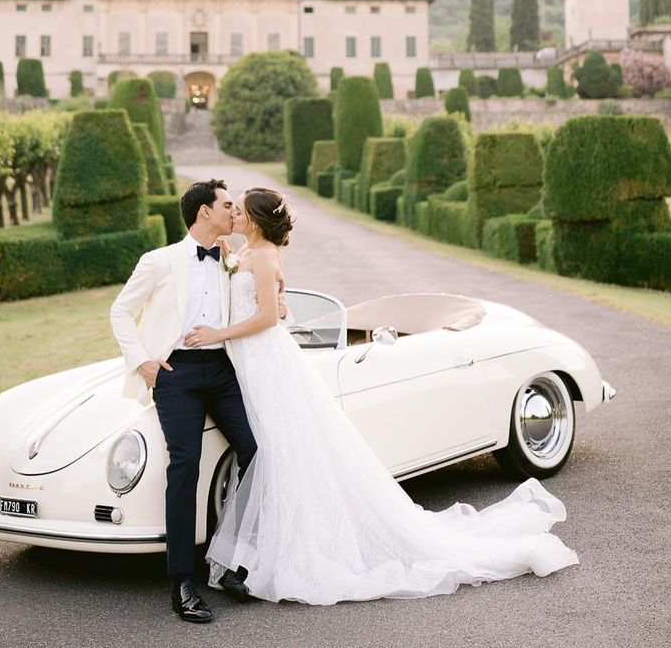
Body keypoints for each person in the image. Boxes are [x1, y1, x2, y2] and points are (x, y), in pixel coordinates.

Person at [185, 186, 580, 605]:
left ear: (256, 220)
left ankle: (263, 555)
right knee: (269, 451)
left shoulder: (265, 257)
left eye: (240, 210)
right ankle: (253, 553)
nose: (234, 215)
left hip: (266, 361)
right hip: (245, 361)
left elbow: (267, 317)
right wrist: (228, 257)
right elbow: (255, 297)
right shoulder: (244, 252)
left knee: (278, 452)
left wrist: (219, 333)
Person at [109, 178, 258, 625]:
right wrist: (143, 362)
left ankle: (231, 561)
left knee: (255, 453)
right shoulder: (159, 261)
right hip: (177, 374)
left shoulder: (230, 258)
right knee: (186, 463)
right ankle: (181, 581)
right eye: (227, 206)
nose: (234, 212)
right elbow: (120, 311)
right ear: (204, 212)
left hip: (223, 369)